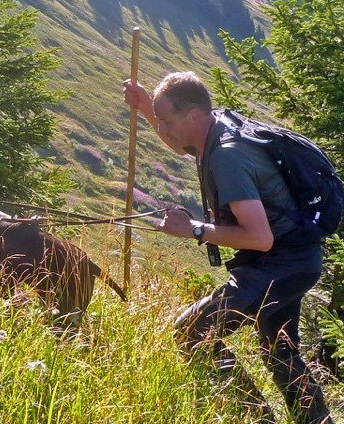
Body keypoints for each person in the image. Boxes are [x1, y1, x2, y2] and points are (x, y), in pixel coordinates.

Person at [123, 71, 333, 424]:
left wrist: (193, 229)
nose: (164, 128)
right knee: (278, 350)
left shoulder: (227, 157)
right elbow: (180, 143)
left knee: (193, 332)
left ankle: (258, 419)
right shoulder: (213, 128)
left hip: (277, 261)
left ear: (192, 115)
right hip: (295, 257)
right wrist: (146, 107)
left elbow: (259, 236)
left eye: (166, 120)